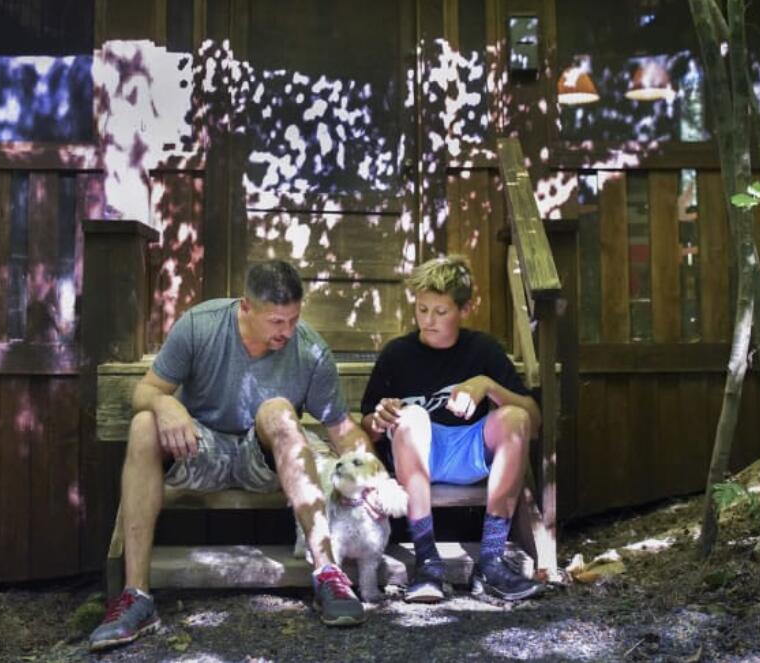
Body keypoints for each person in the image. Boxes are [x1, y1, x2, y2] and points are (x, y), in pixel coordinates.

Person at [89, 260, 371, 652]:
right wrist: (165, 405)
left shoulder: (309, 350)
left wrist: (376, 477)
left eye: (293, 319)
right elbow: (144, 391)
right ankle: (136, 596)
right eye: (276, 321)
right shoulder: (200, 326)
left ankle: (327, 573)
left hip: (265, 462)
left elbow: (341, 429)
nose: (287, 331)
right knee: (142, 423)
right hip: (199, 451)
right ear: (245, 307)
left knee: (279, 410)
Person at [360, 255, 545, 603]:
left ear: (464, 309)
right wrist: (379, 418)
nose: (428, 321)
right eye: (422, 309)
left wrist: (487, 385)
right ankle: (427, 563)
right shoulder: (397, 354)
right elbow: (367, 426)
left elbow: (533, 422)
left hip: (469, 451)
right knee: (412, 417)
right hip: (417, 455)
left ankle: (490, 562)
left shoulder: (483, 349)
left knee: (515, 417)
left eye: (440, 312)